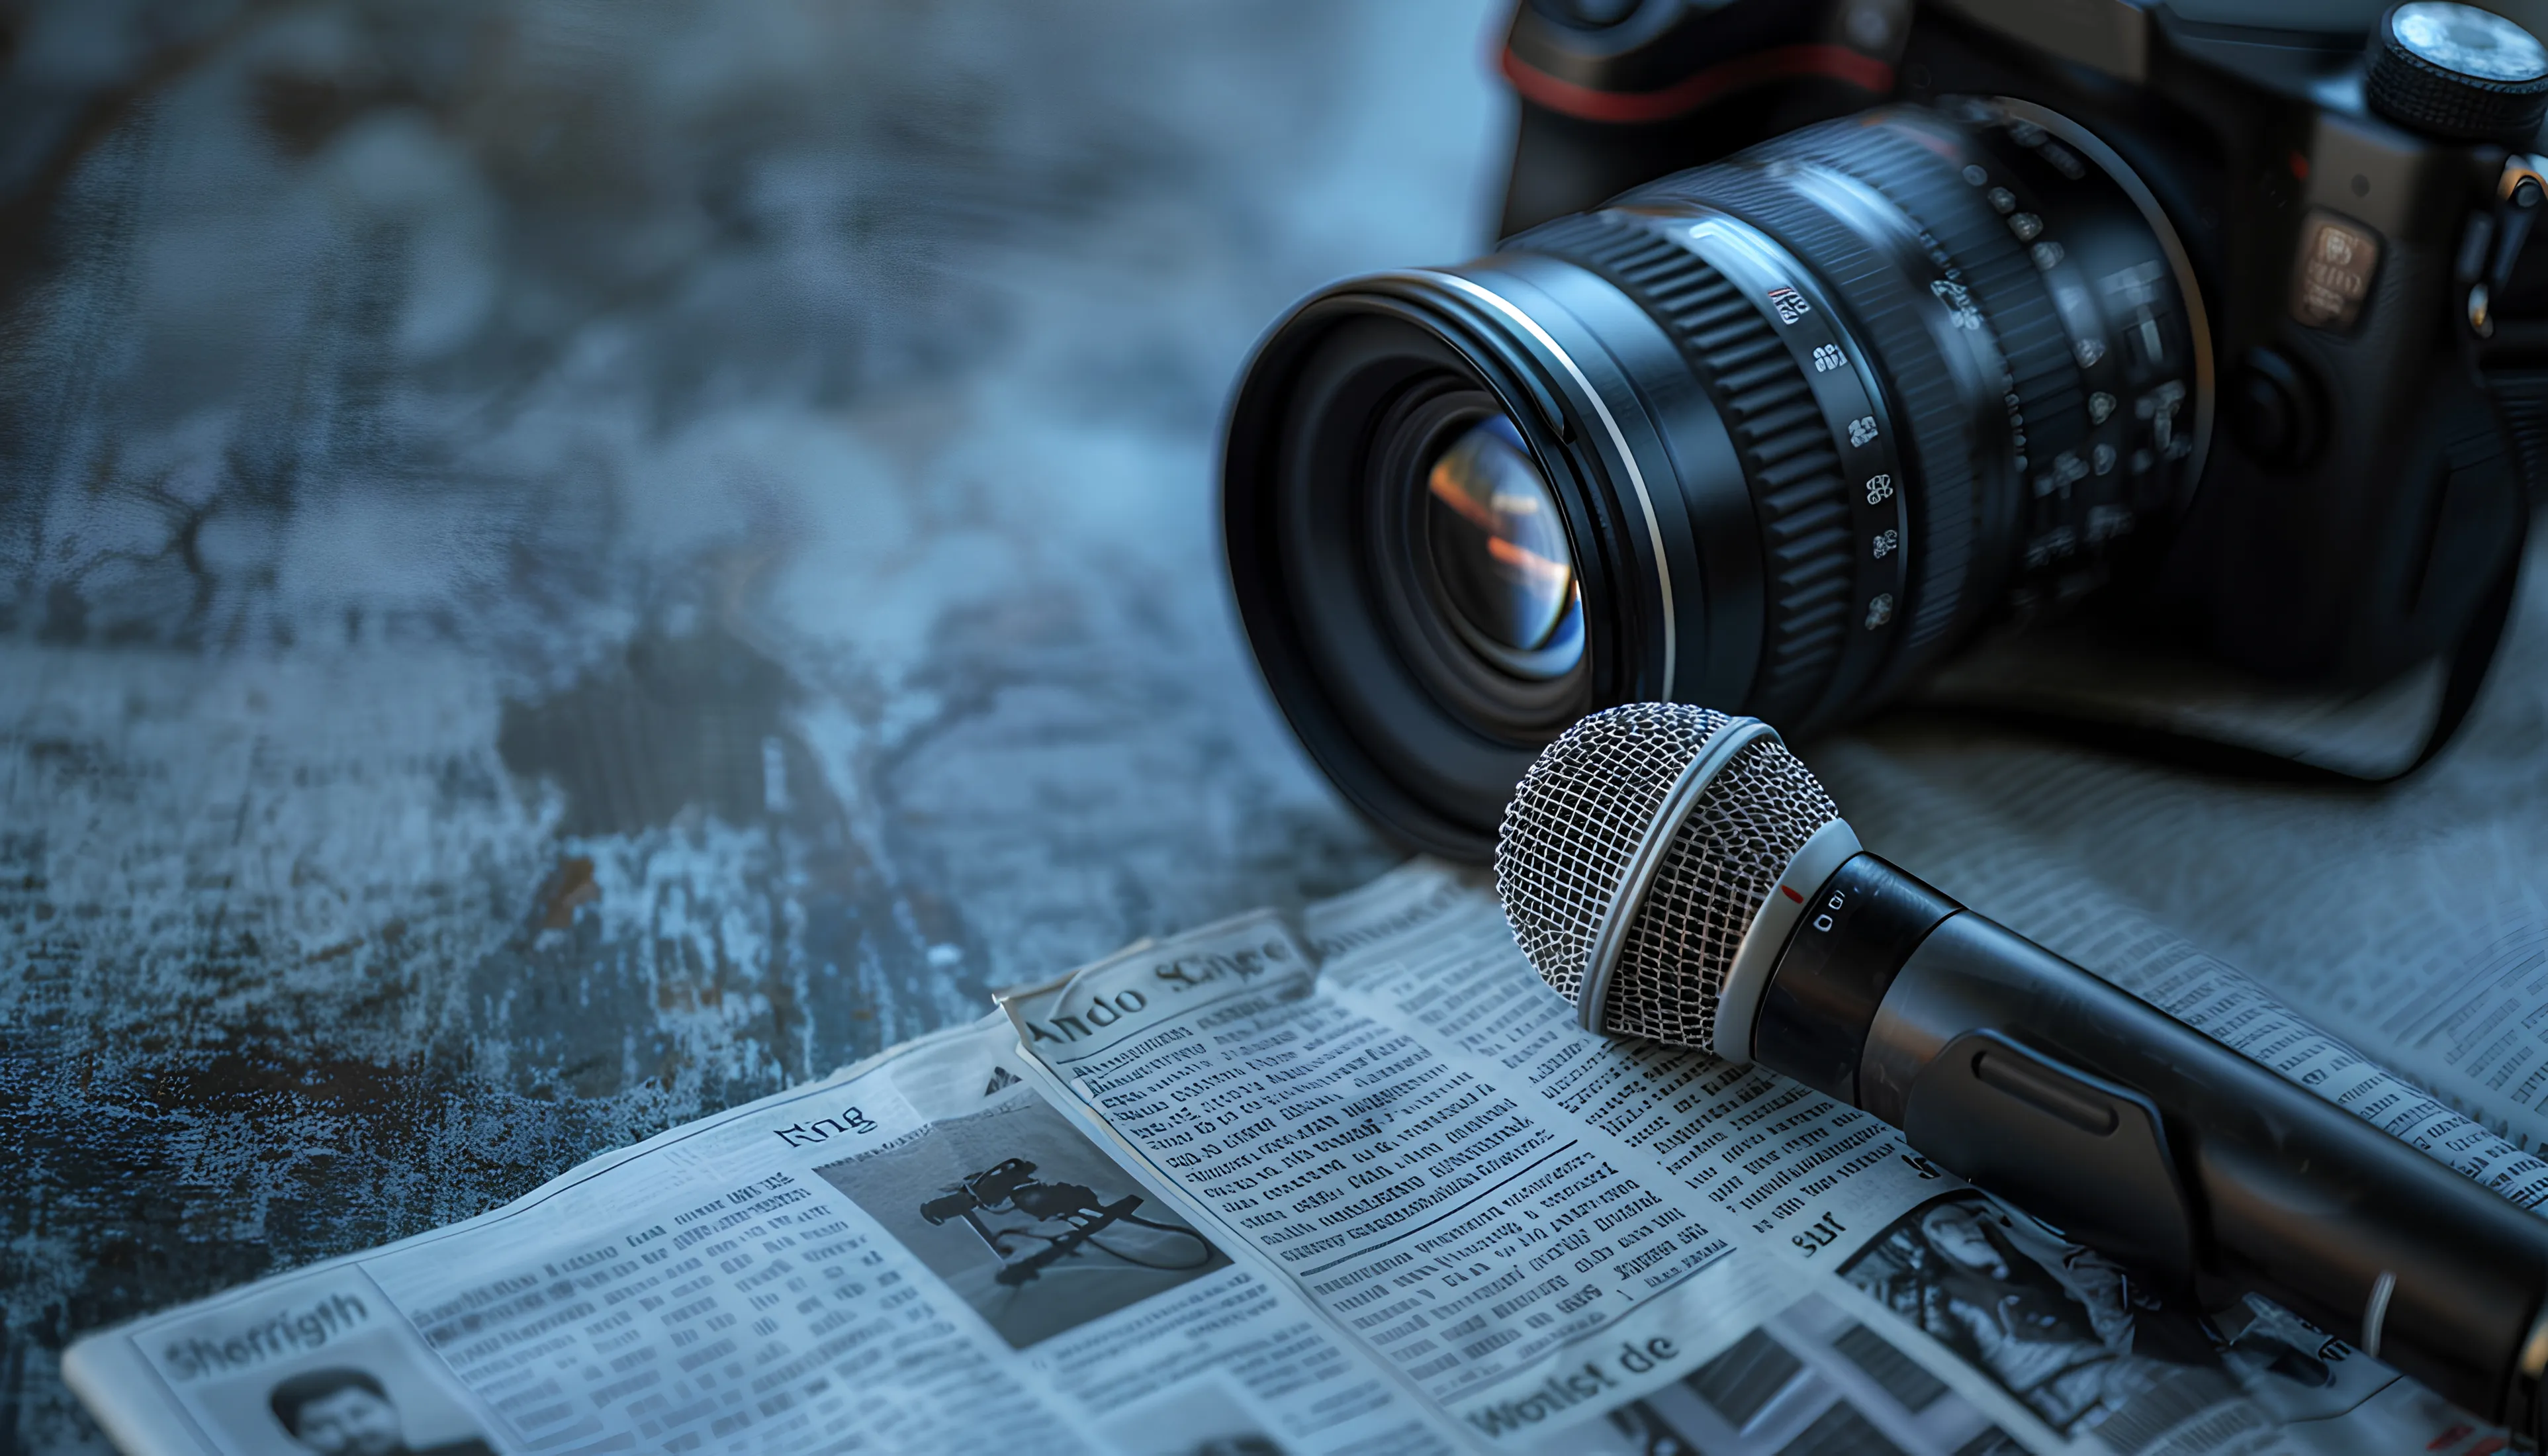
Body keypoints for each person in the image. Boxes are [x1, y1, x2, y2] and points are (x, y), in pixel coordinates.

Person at [267, 1369, 496, 1456]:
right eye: (323, 1425)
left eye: (359, 1413)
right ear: (296, 1437)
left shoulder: (479, 1451)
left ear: (390, 1407)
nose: (352, 1432)